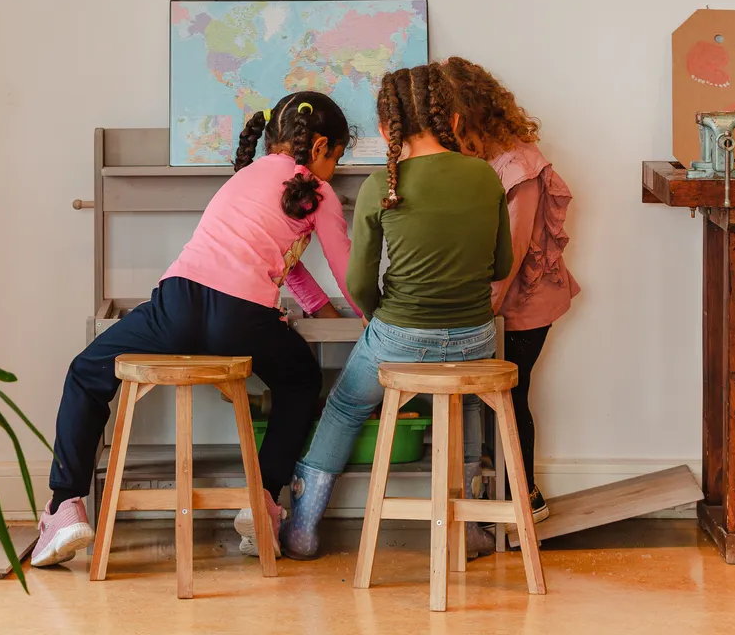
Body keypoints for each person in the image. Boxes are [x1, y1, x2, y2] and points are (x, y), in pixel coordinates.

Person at [35, 92, 360, 568]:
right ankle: (261, 501)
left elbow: (285, 263)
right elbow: (349, 274)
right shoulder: (320, 193)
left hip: (178, 304)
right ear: (319, 147)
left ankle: (65, 506)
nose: (334, 170)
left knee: (87, 371)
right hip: (244, 319)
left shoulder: (244, 177)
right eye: (337, 158)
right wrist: (374, 317)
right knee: (301, 381)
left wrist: (319, 308)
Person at [280, 62, 513, 561]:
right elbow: (501, 266)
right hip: (475, 337)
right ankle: (470, 530)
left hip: (400, 336)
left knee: (345, 406)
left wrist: (374, 314)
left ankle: (301, 528)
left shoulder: (379, 184)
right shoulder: (484, 175)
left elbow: (359, 282)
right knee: (468, 404)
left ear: (387, 129)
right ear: (451, 119)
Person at [442, 56, 579, 522]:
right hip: (504, 302)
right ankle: (500, 496)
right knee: (493, 400)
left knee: (508, 398)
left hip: (523, 305)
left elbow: (512, 255)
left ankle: (524, 496)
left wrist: (478, 315)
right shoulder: (486, 160)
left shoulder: (517, 167)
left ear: (464, 118)